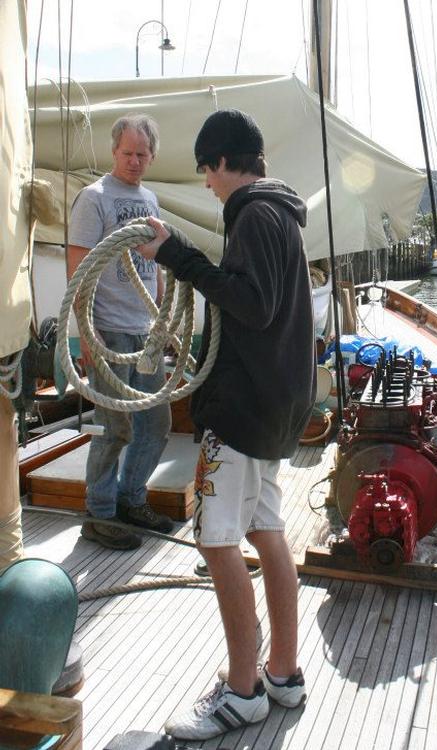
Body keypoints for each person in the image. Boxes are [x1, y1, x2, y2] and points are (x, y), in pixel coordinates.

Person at [137, 108, 316, 740]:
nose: (208, 186)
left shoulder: (252, 215)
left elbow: (251, 305)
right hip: (275, 410)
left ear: (219, 162)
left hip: (243, 413)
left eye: (207, 173)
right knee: (266, 531)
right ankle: (284, 674)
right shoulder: (280, 215)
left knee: (218, 542)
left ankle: (242, 693)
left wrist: (177, 255)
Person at [66, 114, 173, 551]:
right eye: (127, 153)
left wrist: (163, 317)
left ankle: (132, 499)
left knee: (157, 423)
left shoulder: (149, 198)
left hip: (146, 332)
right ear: (114, 152)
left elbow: (156, 265)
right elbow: (79, 269)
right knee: (117, 427)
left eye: (142, 154)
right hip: (109, 330)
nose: (134, 161)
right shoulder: (93, 199)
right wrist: (87, 334)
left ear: (151, 156)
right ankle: (100, 513)